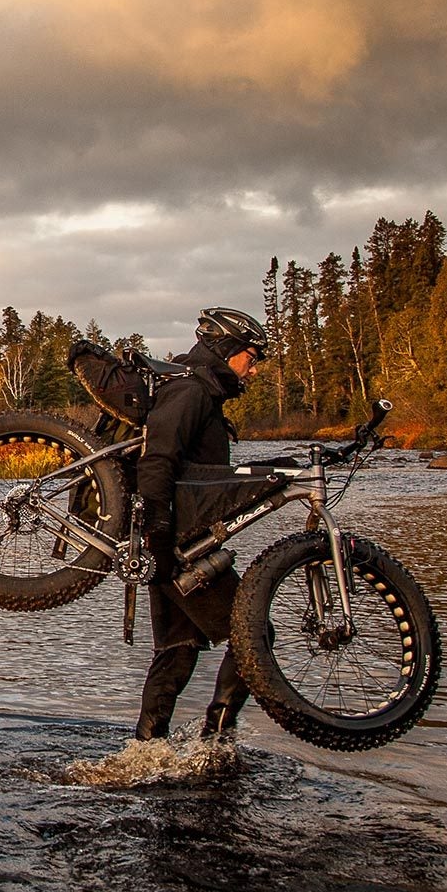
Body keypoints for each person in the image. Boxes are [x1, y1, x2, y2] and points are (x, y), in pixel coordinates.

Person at [134, 306, 270, 742]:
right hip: (174, 541)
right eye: (252, 356)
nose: (254, 367)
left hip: (168, 541)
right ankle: (217, 739)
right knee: (254, 632)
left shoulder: (203, 392)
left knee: (178, 648)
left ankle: (146, 748)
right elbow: (157, 460)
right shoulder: (190, 391)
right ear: (228, 349)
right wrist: (157, 531)